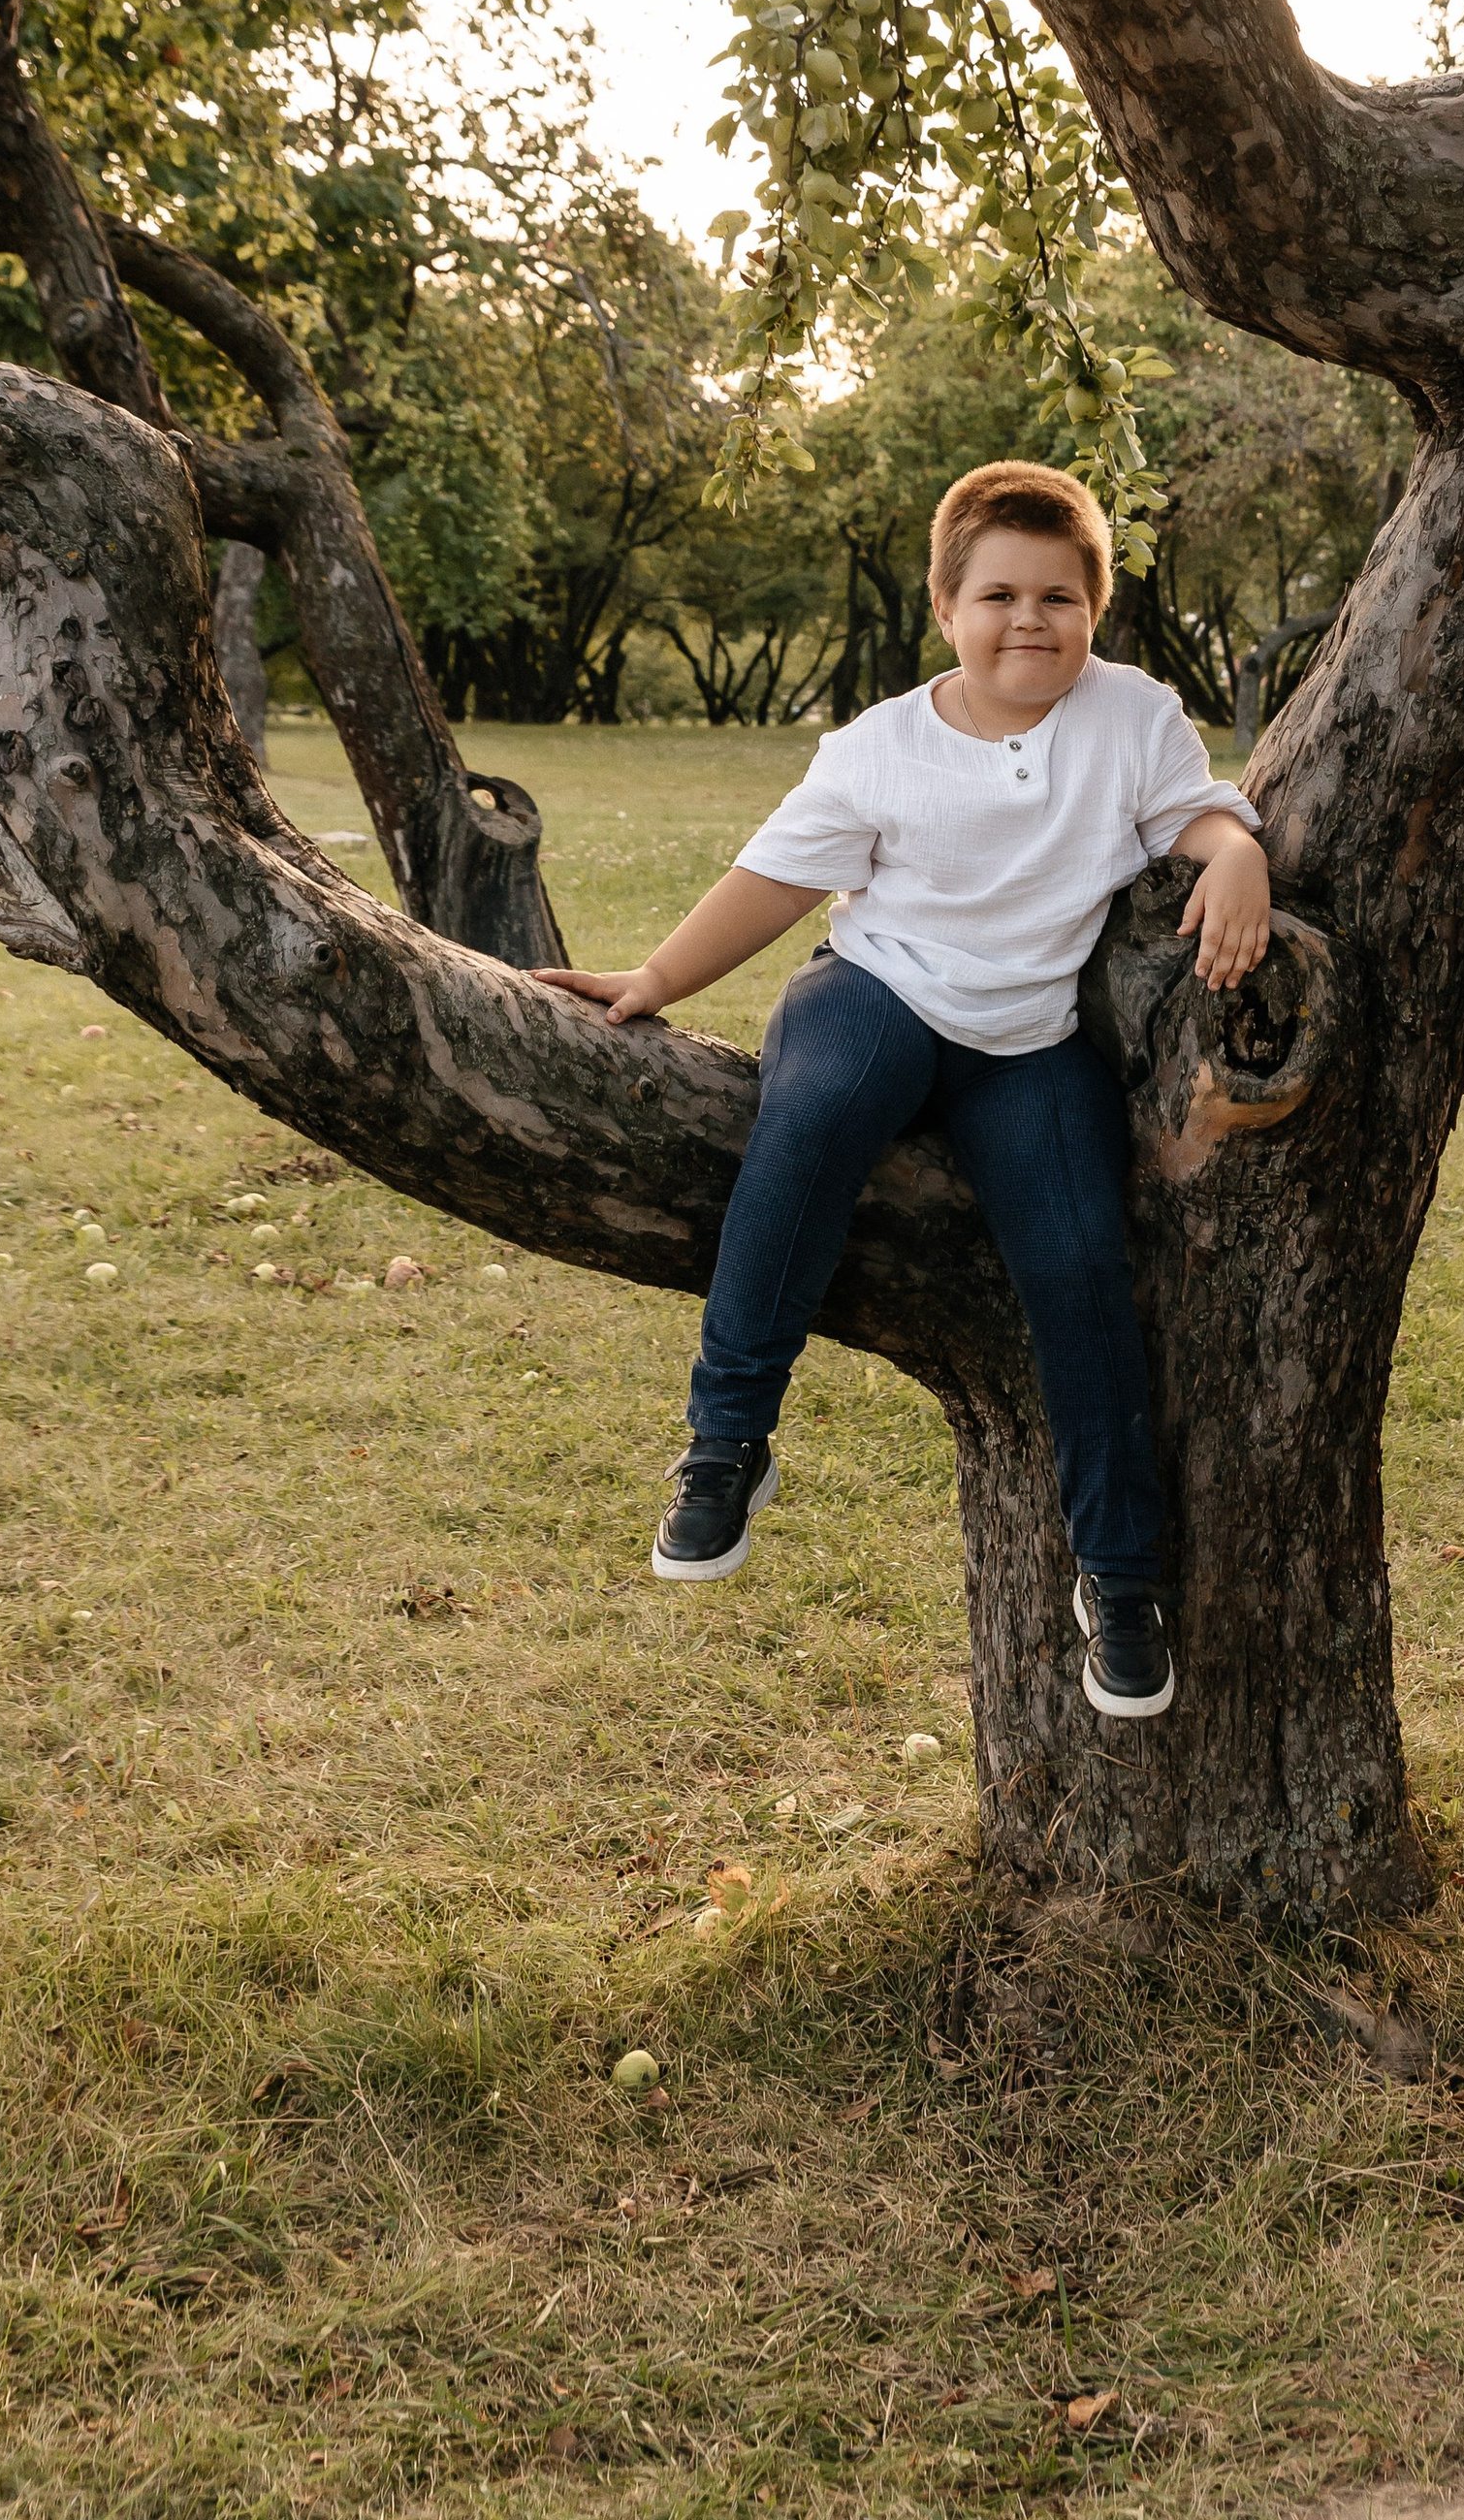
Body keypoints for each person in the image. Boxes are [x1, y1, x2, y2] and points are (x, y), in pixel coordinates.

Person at [535, 459, 1269, 1721]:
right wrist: (655, 975)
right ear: (946, 608)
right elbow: (771, 883)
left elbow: (1190, 815)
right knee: (808, 1119)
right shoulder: (880, 749)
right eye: (998, 595)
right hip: (876, 995)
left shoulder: (1133, 716)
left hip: (1027, 1039)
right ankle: (726, 1446)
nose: (1029, 621)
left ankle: (1121, 1574)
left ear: (1096, 608)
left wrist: (1240, 851)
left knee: (1086, 1263)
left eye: (1058, 596)